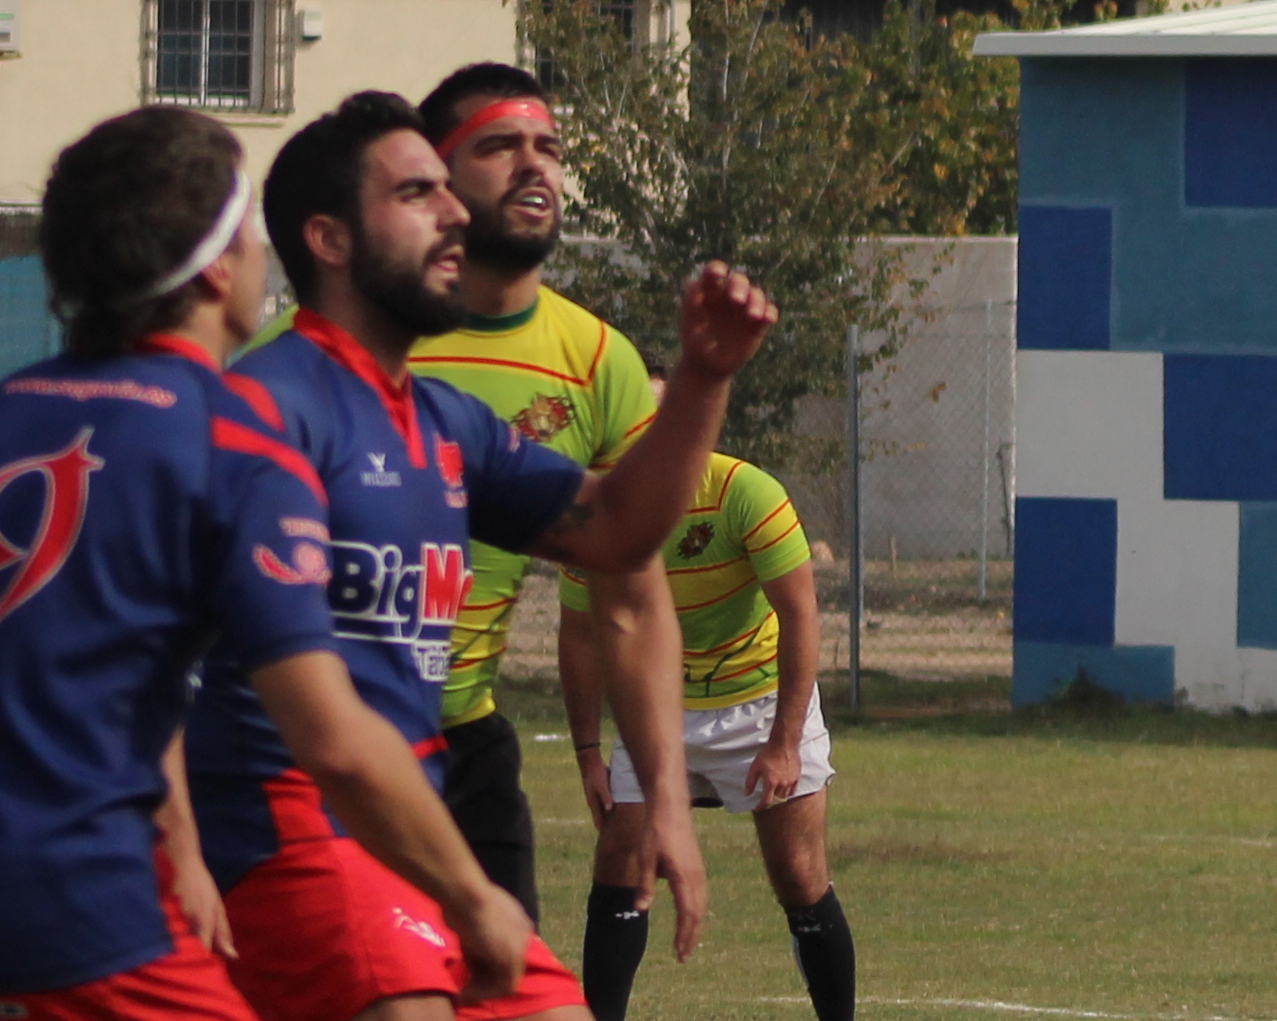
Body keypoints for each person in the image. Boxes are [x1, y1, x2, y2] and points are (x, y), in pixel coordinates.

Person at [195, 91, 772, 1021]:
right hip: (289, 828)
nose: (454, 213)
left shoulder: (441, 420)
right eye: (416, 193)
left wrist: (703, 380)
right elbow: (314, 729)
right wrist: (471, 900)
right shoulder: (270, 407)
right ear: (330, 240)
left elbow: (618, 535)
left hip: (413, 813)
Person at [0, 107, 535, 1021]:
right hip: (90, 921)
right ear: (217, 267)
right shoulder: (233, 437)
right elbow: (334, 741)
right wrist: (475, 901)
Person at [404, 66, 703, 1015]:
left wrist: (666, 801)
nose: (535, 166)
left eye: (550, 148)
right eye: (500, 145)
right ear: (433, 178)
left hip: (465, 745)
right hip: (311, 748)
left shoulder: (597, 360)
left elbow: (631, 599)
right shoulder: (347, 344)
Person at [586, 449, 854, 1021]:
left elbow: (800, 613)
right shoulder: (601, 504)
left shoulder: (744, 492)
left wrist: (784, 743)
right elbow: (579, 632)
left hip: (761, 699)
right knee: (621, 857)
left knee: (800, 874)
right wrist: (588, 753)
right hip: (658, 704)